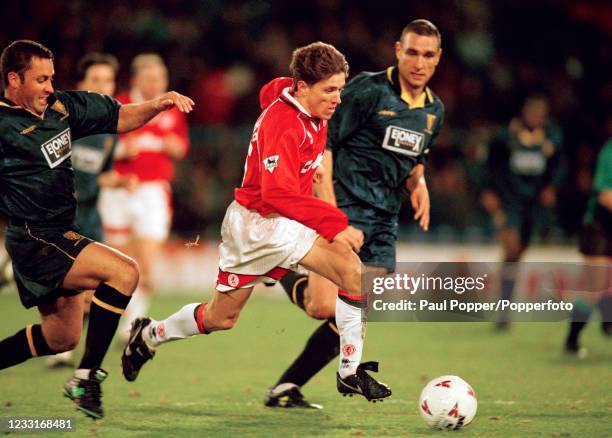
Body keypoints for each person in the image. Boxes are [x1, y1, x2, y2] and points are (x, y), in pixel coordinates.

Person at [121, 41, 392, 403]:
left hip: (287, 222)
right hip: (256, 229)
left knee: (351, 272)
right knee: (221, 319)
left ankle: (349, 370)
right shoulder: (285, 126)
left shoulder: (290, 93)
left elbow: (270, 90)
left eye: (340, 89)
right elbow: (277, 194)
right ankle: (150, 334)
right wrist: (334, 222)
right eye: (330, 90)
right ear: (304, 88)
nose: (337, 99)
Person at [0, 40, 194, 419]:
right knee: (125, 271)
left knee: (61, 337)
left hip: (59, 231)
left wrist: (158, 104)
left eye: (51, 78)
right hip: (35, 237)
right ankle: (86, 377)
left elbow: (120, 117)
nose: (48, 87)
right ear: (13, 78)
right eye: (40, 79)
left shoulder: (61, 106)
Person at [264, 19, 445, 409]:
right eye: (412, 52)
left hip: (384, 221)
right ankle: (275, 266)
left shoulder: (434, 110)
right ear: (398, 50)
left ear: (438, 58)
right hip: (345, 207)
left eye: (428, 54)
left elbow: (416, 159)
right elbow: (323, 145)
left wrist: (420, 183)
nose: (419, 62)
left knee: (355, 312)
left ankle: (285, 388)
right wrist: (328, 212)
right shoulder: (368, 89)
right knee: (324, 306)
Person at [46, 52, 138, 368]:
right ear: (80, 85)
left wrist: (119, 181)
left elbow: (99, 174)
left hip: (90, 217)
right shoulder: (60, 122)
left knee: (95, 286)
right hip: (59, 218)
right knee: (68, 290)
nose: (102, 87)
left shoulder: (109, 133)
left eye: (108, 81)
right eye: (95, 81)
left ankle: (74, 354)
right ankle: (66, 350)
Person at [99, 54, 190, 340]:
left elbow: (181, 148)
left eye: (161, 79)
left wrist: (172, 146)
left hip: (153, 192)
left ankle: (131, 325)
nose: (158, 84)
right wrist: (121, 151)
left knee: (145, 262)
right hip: (118, 192)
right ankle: (113, 320)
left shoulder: (171, 109)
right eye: (151, 79)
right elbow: (99, 147)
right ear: (136, 79)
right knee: (117, 262)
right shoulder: (119, 104)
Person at [481, 94, 565, 329]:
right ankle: (504, 308)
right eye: (533, 113)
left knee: (518, 254)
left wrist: (551, 186)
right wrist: (488, 190)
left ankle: (505, 303)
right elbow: (489, 162)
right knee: (512, 247)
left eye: (541, 115)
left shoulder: (551, 137)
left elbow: (559, 165)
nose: (537, 118)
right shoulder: (506, 136)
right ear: (524, 114)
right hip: (510, 201)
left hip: (533, 204)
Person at [564, 133, 612, 357]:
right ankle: (572, 339)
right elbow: (605, 196)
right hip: (600, 228)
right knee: (595, 287)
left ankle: (607, 320)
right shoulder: (609, 152)